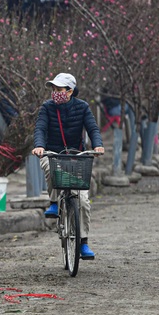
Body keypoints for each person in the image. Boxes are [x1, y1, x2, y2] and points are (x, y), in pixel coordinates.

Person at [31, 73, 105, 260]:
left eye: (59, 89)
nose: (55, 92)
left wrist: (97, 145)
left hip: (75, 155)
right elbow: (40, 128)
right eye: (53, 89)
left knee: (83, 202)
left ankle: (83, 243)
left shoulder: (82, 107)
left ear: (70, 91)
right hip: (52, 152)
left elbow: (93, 128)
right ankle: (55, 203)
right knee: (49, 167)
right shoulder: (47, 108)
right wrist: (39, 146)